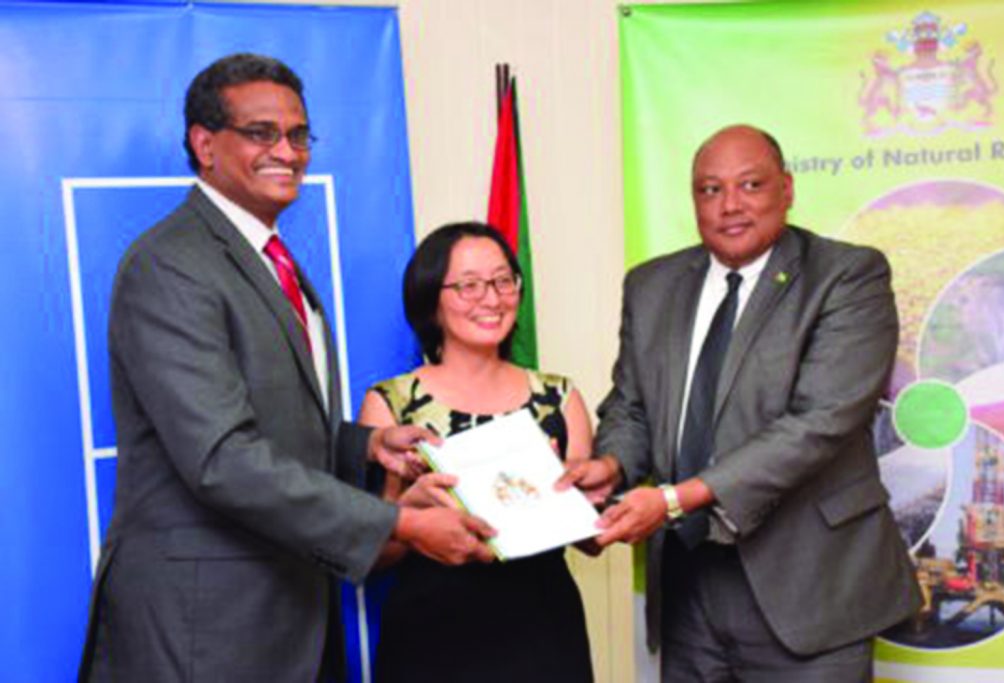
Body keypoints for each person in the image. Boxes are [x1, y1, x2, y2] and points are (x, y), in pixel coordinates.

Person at [78, 53, 493, 683]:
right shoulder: (172, 265)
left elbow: (276, 421)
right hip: (205, 627)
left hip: (290, 608)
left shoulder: (273, 257)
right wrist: (401, 522)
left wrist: (370, 446)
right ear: (204, 144)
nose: (288, 151)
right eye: (261, 133)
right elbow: (221, 458)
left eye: (298, 134)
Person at [559, 125, 922, 681]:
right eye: (709, 190)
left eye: (750, 185)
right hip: (689, 589)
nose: (729, 205)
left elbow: (819, 423)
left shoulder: (847, 276)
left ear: (787, 188)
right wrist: (609, 465)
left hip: (809, 590)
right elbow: (632, 405)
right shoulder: (652, 286)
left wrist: (675, 499)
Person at [358, 222, 595, 683]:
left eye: (503, 281)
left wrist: (572, 495)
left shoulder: (559, 398)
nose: (491, 298)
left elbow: (588, 539)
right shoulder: (391, 404)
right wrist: (410, 510)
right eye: (468, 286)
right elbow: (372, 553)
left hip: (544, 630)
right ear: (431, 299)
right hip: (432, 635)